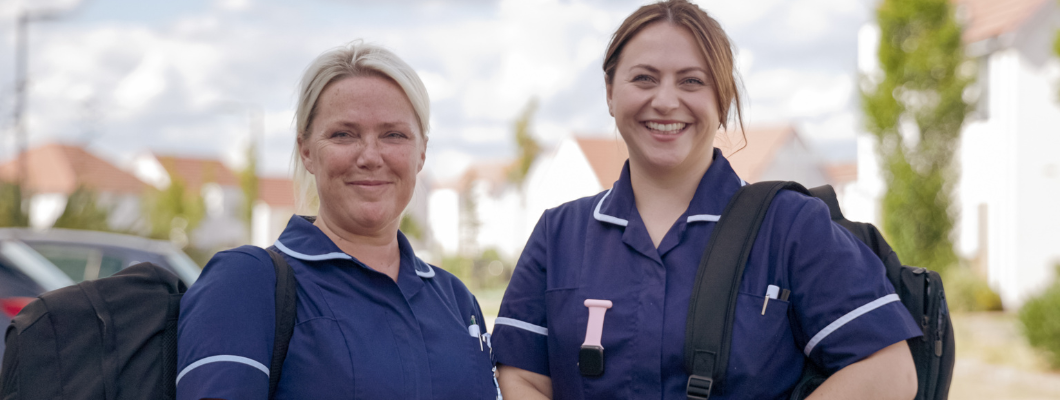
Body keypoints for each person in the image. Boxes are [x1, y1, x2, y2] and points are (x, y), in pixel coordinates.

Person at [491, 1, 922, 399]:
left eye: (691, 81)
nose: (664, 101)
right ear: (609, 92)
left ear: (723, 98)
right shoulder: (558, 234)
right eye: (643, 78)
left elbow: (888, 371)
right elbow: (522, 374)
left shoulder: (791, 226)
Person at [176, 41, 498, 399]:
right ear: (307, 150)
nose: (371, 156)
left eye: (394, 135)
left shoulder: (456, 301)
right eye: (344, 134)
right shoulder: (246, 282)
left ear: (421, 152)